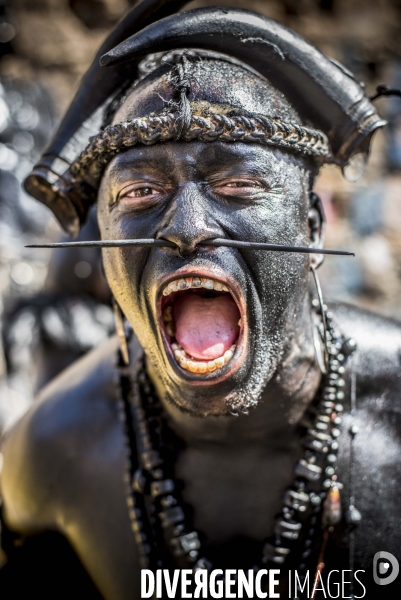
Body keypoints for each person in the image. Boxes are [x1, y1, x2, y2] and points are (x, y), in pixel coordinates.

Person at [1, 1, 400, 599]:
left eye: (238, 185)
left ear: (312, 230)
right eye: (141, 192)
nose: (186, 229)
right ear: (102, 249)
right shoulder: (57, 451)